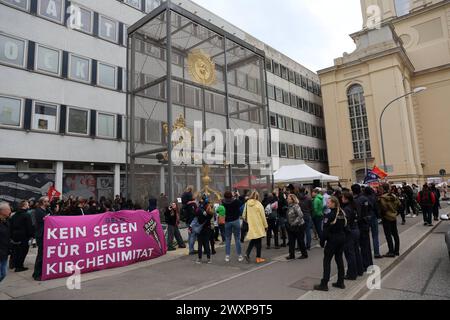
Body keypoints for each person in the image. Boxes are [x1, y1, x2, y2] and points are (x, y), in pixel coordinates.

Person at [314, 196, 347, 291]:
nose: (327, 204)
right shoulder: (342, 213)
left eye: (328, 202)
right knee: (339, 259)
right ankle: (340, 282)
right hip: (341, 238)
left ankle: (324, 284)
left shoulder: (330, 215)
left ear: (333, 203)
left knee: (327, 261)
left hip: (333, 240)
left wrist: (322, 241)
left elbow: (325, 230)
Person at [341, 192, 364, 280]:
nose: (342, 199)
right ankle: (360, 270)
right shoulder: (354, 206)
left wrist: (346, 231)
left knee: (350, 254)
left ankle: (352, 274)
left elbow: (346, 223)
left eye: (343, 197)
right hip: (356, 229)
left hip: (350, 232)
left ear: (346, 199)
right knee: (356, 251)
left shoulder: (347, 209)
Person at [351, 184, 373, 271]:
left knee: (362, 246)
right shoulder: (365, 198)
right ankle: (369, 263)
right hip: (366, 223)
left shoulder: (356, 200)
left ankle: (365, 264)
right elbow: (371, 208)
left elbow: (358, 214)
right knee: (367, 245)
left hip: (360, 224)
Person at [243, 191, 268, 264]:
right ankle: (258, 258)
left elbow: (244, 215)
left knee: (254, 239)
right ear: (257, 197)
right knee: (258, 241)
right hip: (259, 224)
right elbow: (263, 216)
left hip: (251, 224)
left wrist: (249, 221)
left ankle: (247, 253)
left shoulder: (247, 204)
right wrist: (266, 225)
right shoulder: (259, 204)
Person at [9, 200, 34, 273]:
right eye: (27, 205)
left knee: (16, 251)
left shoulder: (14, 215)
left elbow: (11, 226)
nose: (28, 206)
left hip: (15, 235)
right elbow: (29, 226)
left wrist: (11, 236)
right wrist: (31, 235)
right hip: (24, 236)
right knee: (23, 251)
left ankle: (15, 264)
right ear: (24, 206)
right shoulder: (26, 215)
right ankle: (19, 266)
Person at [378, 184, 401, 257]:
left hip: (386, 217)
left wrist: (381, 214)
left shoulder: (382, 198)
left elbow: (383, 208)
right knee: (395, 234)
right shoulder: (394, 196)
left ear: (382, 189)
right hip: (393, 216)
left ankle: (391, 251)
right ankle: (396, 250)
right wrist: (395, 212)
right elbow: (399, 204)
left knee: (388, 235)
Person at [32, 196, 51, 281]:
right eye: (47, 201)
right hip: (41, 235)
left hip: (47, 234)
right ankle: (36, 274)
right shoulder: (38, 211)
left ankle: (42, 271)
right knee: (41, 255)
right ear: (43, 202)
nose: (48, 202)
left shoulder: (47, 210)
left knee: (44, 255)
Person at [222, 191, 243, 262]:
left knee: (228, 239)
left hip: (227, 221)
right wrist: (236, 195)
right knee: (237, 239)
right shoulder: (236, 201)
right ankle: (239, 256)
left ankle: (227, 256)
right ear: (231, 196)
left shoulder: (223, 202)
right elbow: (242, 203)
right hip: (236, 221)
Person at [285, 194, 308, 260]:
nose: (287, 199)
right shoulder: (289, 206)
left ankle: (304, 254)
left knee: (300, 241)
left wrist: (294, 222)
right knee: (291, 241)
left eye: (288, 198)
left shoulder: (296, 206)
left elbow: (301, 215)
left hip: (299, 226)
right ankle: (291, 255)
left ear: (292, 200)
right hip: (291, 226)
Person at [364, 186, 382, 259]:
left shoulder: (363, 198)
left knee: (366, 236)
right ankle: (376, 253)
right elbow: (376, 208)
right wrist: (379, 216)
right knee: (375, 235)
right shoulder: (374, 197)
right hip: (373, 216)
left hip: (365, 217)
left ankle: (367, 254)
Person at [195, 195, 213, 264]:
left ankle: (199, 259)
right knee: (207, 243)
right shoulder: (210, 213)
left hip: (200, 228)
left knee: (200, 244)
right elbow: (210, 215)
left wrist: (200, 207)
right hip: (207, 228)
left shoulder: (199, 210)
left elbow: (196, 213)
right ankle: (208, 259)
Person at [182, 186, 197, 255]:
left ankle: (191, 249)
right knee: (193, 235)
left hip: (187, 220)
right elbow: (195, 213)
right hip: (192, 220)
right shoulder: (192, 204)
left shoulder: (184, 206)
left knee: (189, 234)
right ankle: (191, 250)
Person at [0, 202, 12, 283]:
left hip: (4, 252)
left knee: (3, 274)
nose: (10, 211)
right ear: (2, 211)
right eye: (8, 209)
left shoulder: (6, 221)